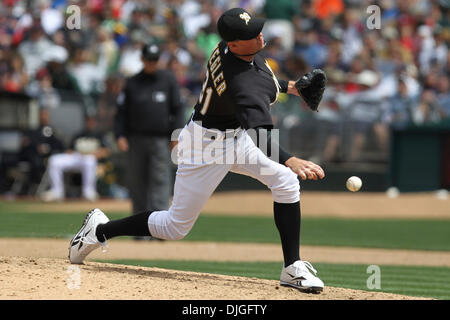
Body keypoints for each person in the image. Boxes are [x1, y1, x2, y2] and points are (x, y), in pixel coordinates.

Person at [69, 8, 326, 293]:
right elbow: (260, 131)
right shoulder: (242, 84)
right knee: (174, 227)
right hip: (206, 148)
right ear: (235, 44)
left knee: (285, 182)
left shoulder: (228, 51)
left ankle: (292, 267)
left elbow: (263, 80)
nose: (259, 34)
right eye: (250, 34)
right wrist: (290, 158)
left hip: (230, 137)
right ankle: (100, 230)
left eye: (256, 28)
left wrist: (293, 87)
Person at [114, 41, 185, 239]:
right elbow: (121, 113)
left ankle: (159, 230)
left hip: (161, 139)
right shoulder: (132, 82)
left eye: (155, 60)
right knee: (138, 183)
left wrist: (176, 134)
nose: (152, 64)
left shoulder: (168, 80)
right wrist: (120, 135)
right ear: (142, 60)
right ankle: (139, 229)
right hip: (136, 139)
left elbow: (178, 109)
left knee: (160, 183)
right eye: (149, 60)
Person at [41, 115, 109, 202]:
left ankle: (88, 192)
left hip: (90, 159)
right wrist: (76, 153)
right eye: (89, 121)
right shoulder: (79, 134)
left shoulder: (99, 135)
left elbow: (106, 151)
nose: (90, 123)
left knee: (90, 160)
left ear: (95, 122)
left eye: (92, 121)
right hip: (77, 158)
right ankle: (57, 191)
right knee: (54, 160)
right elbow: (69, 150)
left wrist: (91, 154)